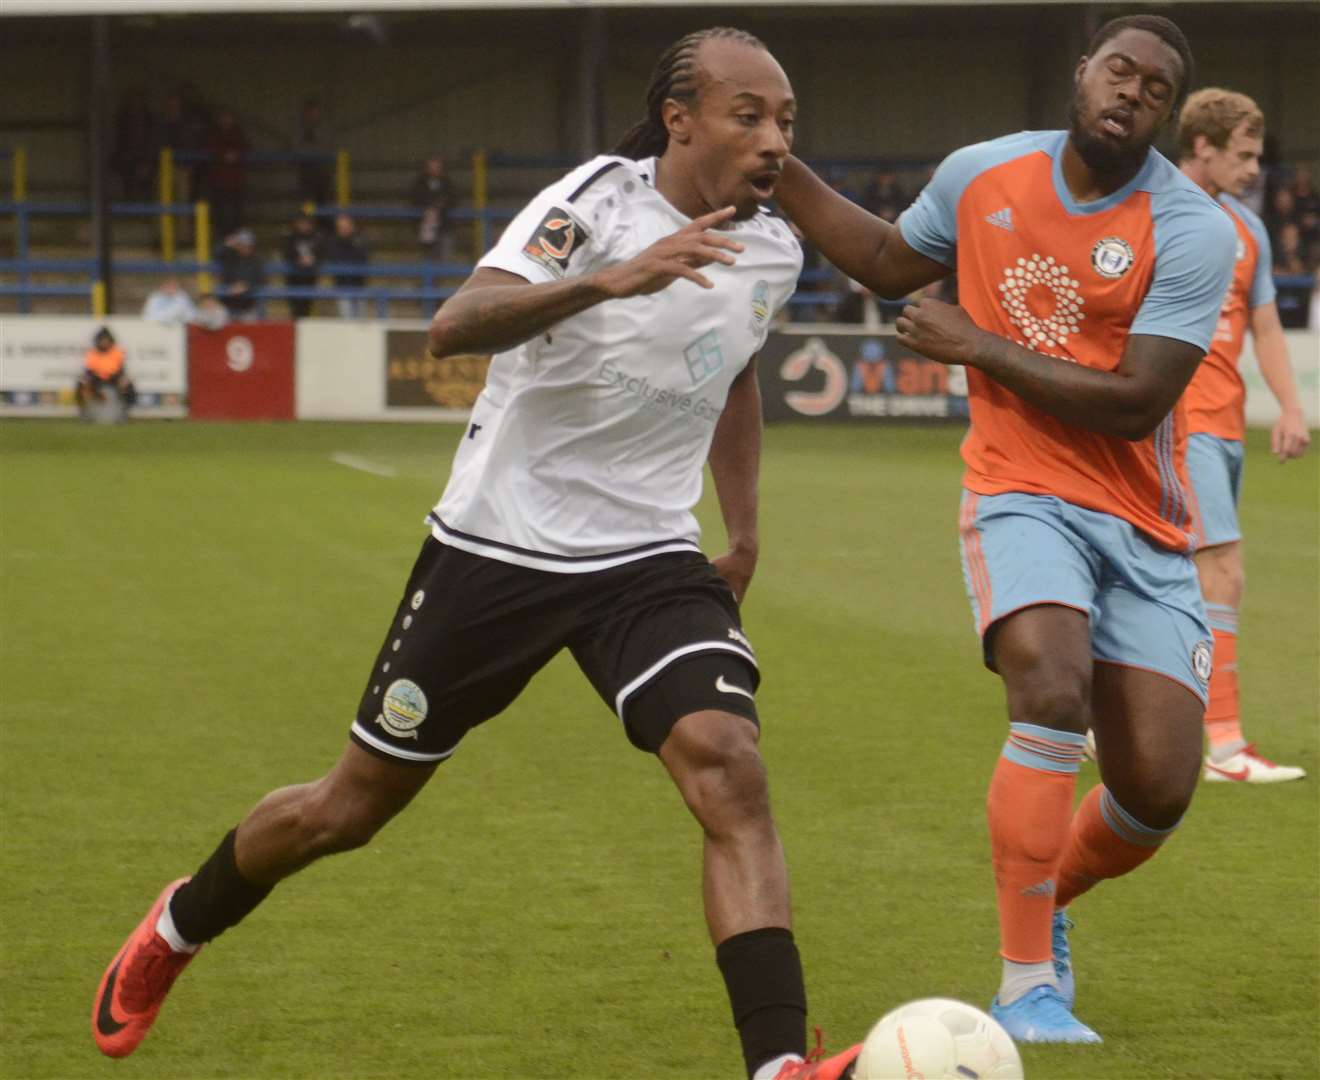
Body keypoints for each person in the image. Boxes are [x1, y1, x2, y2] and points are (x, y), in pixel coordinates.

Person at [92, 28, 857, 1080]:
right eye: (749, 116)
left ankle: (777, 1067)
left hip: (646, 560)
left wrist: (747, 527)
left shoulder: (775, 246)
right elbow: (458, 325)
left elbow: (732, 370)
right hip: (499, 549)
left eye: (786, 123)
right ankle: (178, 926)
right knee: (347, 809)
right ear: (680, 119)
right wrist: (614, 281)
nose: (775, 141)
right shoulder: (594, 203)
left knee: (729, 769)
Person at [774, 13, 1235, 1044]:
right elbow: (892, 262)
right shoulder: (984, 173)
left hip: (1145, 521)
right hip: (1020, 485)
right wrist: (782, 170)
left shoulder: (1193, 227)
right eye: (1119, 70)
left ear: (1164, 115)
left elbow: (1135, 403)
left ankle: (1051, 902)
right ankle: (1026, 986)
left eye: (1154, 88)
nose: (1131, 92)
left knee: (1156, 789)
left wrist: (975, 344)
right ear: (1082, 75)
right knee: (1049, 685)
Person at [1175, 88, 1311, 782]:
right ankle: (1224, 745)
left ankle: (1090, 719)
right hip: (1177, 423)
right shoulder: (1149, 210)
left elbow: (1263, 326)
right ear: (1203, 146)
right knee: (1222, 572)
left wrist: (1290, 407)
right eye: (1245, 154)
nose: (1257, 169)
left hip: (1225, 425)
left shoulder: (1247, 231)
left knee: (1162, 576)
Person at [205, 109, 250, 243]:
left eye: (228, 117)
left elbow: (246, 148)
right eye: (223, 117)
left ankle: (238, 243)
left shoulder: (238, 133)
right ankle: (222, 242)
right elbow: (209, 148)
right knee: (220, 214)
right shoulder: (213, 133)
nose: (225, 120)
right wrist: (223, 155)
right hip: (219, 182)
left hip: (236, 182)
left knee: (237, 213)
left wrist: (235, 154)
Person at [76, 327, 137, 417]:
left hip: (114, 377)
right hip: (96, 378)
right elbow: (89, 370)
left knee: (128, 385)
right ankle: (84, 412)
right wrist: (88, 382)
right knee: (81, 384)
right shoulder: (92, 352)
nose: (104, 342)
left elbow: (121, 368)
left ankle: (125, 412)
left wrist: (121, 379)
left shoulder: (116, 352)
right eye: (102, 340)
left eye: (106, 340)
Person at [410, 153, 455, 263]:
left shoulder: (447, 183)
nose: (435, 169)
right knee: (426, 257)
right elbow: (414, 200)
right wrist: (428, 208)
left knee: (443, 259)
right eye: (432, 166)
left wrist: (441, 205)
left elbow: (453, 199)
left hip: (444, 227)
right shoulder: (420, 183)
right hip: (424, 226)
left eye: (437, 166)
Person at [324, 212, 370, 319]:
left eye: (346, 226)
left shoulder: (360, 240)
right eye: (340, 227)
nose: (343, 229)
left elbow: (363, 258)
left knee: (360, 321)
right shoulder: (332, 242)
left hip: (359, 285)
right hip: (342, 285)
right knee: (346, 320)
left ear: (352, 226)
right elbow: (334, 259)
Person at [281, 212, 324, 319]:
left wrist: (314, 260)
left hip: (310, 277)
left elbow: (323, 253)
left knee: (307, 307)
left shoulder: (317, 237)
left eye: (305, 223)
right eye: (301, 223)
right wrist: (298, 260)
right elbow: (286, 253)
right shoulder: (290, 237)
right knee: (295, 308)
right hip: (293, 278)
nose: (303, 225)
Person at [217, 228, 266, 320]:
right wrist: (226, 245)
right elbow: (217, 254)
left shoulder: (257, 260)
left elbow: (261, 280)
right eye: (242, 245)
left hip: (249, 304)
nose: (245, 248)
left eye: (248, 245)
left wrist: (246, 286)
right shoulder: (230, 257)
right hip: (229, 303)